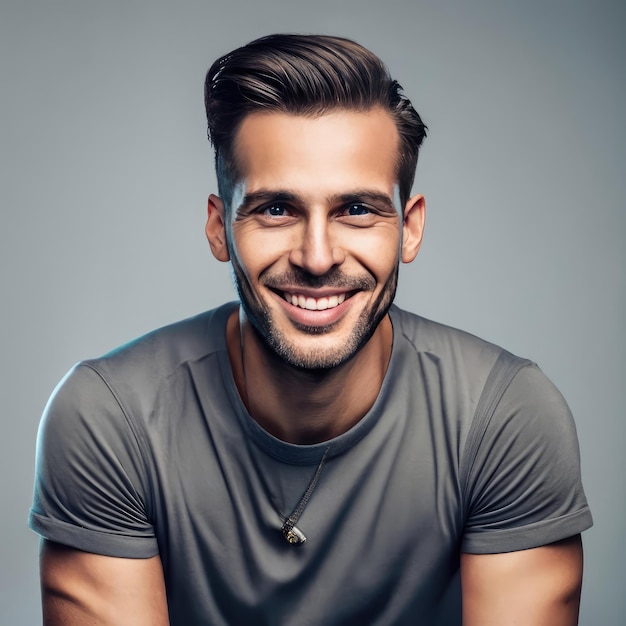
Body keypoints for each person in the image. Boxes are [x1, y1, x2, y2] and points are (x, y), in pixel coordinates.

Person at [29, 34, 592, 625]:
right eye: (275, 209)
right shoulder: (111, 420)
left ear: (410, 228)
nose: (317, 257)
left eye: (356, 209)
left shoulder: (503, 418)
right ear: (220, 229)